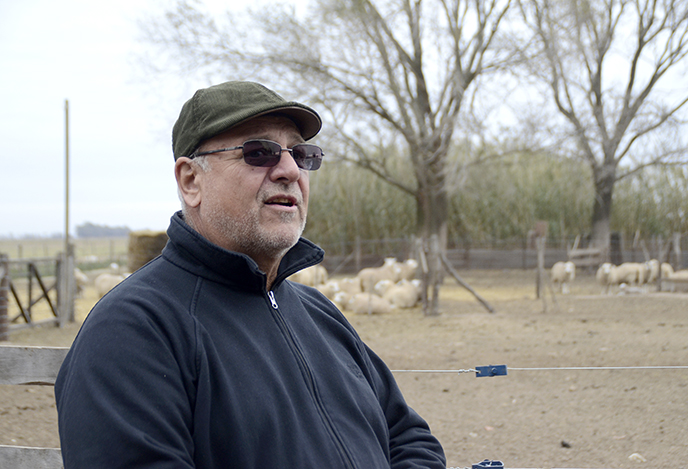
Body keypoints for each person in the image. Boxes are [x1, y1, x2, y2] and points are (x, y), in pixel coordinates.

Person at [55, 81, 447, 468]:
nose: (290, 169)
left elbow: (408, 436)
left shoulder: (318, 313)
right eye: (260, 152)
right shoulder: (133, 330)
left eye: (302, 153)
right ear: (191, 181)